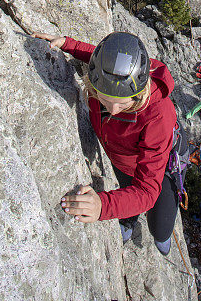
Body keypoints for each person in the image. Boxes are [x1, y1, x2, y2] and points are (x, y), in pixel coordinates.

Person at [32, 29, 188, 256]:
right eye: (105, 100)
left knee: (159, 226)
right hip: (122, 157)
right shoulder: (110, 80)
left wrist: (102, 207)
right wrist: (68, 44)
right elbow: (101, 61)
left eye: (123, 105)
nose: (113, 110)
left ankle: (161, 236)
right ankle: (128, 220)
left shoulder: (157, 116)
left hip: (161, 165)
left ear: (139, 91)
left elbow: (146, 191)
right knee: (126, 189)